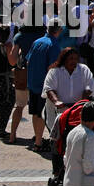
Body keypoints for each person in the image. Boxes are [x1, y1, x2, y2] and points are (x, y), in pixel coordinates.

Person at [43, 47, 94, 183]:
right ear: (64, 59)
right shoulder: (54, 72)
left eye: (75, 59)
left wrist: (82, 100)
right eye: (70, 59)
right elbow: (49, 89)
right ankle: (57, 172)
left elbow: (89, 87)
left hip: (78, 112)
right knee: (57, 142)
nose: (73, 61)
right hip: (59, 113)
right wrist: (57, 101)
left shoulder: (83, 70)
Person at [26, 21, 63, 152]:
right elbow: (52, 67)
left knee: (36, 113)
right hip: (44, 85)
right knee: (43, 113)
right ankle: (38, 142)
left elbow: (28, 60)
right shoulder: (54, 45)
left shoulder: (37, 42)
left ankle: (38, 139)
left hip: (33, 82)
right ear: (58, 30)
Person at [62, 102, 94, 186]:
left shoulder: (72, 132)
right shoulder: (90, 136)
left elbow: (66, 160)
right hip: (82, 182)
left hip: (69, 180)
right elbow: (88, 168)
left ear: (80, 115)